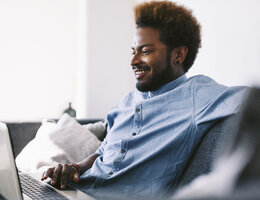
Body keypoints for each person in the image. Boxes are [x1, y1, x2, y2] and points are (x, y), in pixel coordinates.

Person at [41, 1, 247, 199]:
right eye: (133, 51)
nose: (133, 61)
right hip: (74, 190)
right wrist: (75, 168)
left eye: (145, 51)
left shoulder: (198, 94)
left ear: (178, 55)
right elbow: (103, 152)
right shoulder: (125, 102)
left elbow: (251, 99)